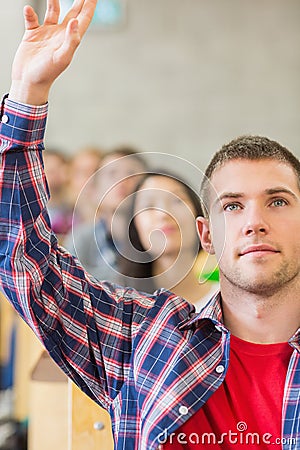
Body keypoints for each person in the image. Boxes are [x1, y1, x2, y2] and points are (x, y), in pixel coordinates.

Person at [0, 2, 299, 449]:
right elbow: (25, 260)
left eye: (277, 201)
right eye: (232, 207)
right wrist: (27, 91)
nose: (255, 222)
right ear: (207, 236)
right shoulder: (142, 337)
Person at [119, 170, 219, 309]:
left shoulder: (229, 304)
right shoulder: (121, 310)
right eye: (149, 206)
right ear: (135, 228)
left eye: (176, 200)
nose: (163, 213)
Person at [64, 146, 148, 281]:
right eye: (112, 173)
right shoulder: (80, 239)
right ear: (95, 189)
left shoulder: (154, 239)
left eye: (131, 173)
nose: (122, 181)